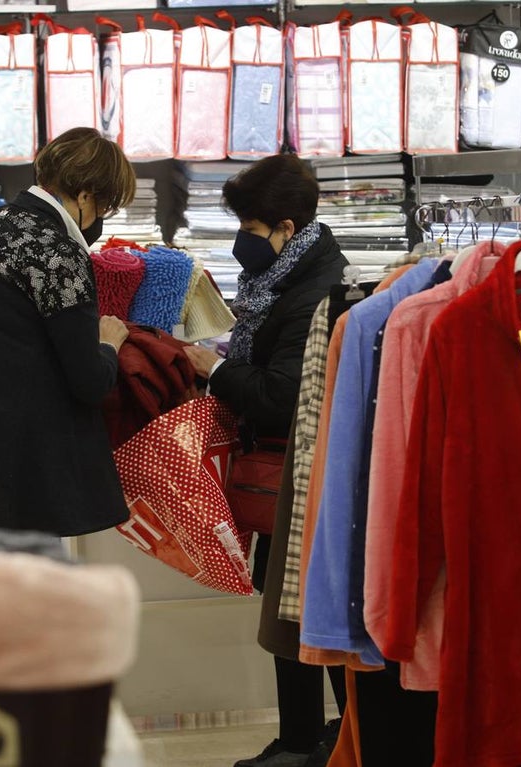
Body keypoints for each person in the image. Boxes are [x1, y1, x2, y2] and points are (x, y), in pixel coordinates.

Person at [183, 154, 348, 767]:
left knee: (304, 610)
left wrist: (217, 368)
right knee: (294, 609)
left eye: (250, 229)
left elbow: (282, 394)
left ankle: (321, 741)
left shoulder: (310, 291)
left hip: (302, 470)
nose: (241, 242)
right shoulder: (284, 276)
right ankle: (309, 739)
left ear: (283, 226)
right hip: (288, 466)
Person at [0, 127, 135, 537]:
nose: (102, 220)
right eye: (104, 205)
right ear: (87, 195)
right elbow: (89, 381)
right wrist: (109, 344)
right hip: (14, 458)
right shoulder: (55, 250)